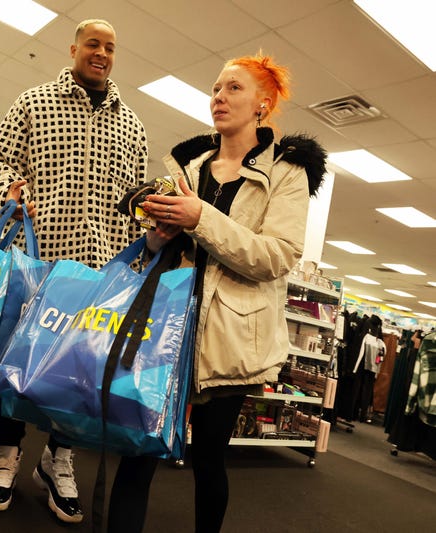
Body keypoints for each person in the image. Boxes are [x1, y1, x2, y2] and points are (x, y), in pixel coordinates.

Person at [108, 52, 327, 532]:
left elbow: (277, 256)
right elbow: (165, 244)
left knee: (208, 459)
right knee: (139, 449)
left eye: (233, 88)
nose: (219, 98)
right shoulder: (190, 165)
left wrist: (200, 217)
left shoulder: (287, 173)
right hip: (166, 321)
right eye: (215, 89)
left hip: (232, 333)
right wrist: (156, 235)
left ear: (262, 104)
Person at [0, 19, 148, 524]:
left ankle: (59, 459)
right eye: (93, 44)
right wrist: (7, 195)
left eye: (110, 48)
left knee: (79, 369)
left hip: (101, 270)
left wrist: (138, 267)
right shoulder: (33, 103)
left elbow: (138, 201)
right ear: (74, 48)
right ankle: (6, 454)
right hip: (39, 259)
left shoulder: (133, 125)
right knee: (14, 355)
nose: (101, 53)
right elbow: (0, 162)